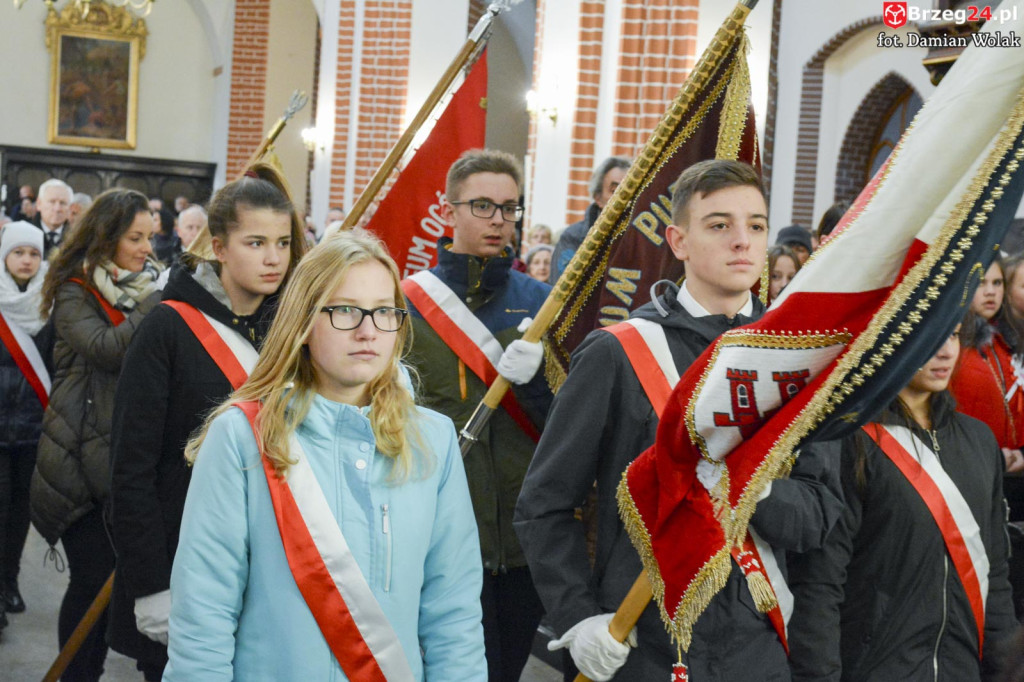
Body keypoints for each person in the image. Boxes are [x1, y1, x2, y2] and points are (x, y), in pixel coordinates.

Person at [515, 159, 842, 681]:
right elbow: (544, 504)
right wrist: (577, 618)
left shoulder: (795, 363)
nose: (743, 241)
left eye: (756, 226)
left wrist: (752, 488)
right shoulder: (617, 354)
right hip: (642, 643)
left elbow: (821, 516)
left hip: (758, 648)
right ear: (678, 240)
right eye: (719, 225)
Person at [164, 229, 486, 680]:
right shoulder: (241, 436)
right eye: (345, 311)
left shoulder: (432, 440)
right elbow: (204, 615)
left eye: (384, 312)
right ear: (303, 322)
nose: (368, 330)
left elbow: (453, 615)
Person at [107, 163, 306, 680]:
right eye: (256, 242)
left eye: (283, 243)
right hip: (182, 559)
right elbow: (131, 471)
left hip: (273, 562)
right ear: (218, 248)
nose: (273, 259)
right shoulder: (166, 329)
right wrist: (150, 585)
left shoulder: (294, 330)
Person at [788, 326, 1018, 680]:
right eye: (930, 334)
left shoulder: (978, 439)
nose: (946, 352)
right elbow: (820, 586)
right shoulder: (849, 441)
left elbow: (996, 578)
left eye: (954, 334)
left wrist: (1006, 673)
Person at [402, 148, 552, 682]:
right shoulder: (408, 307)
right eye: (483, 206)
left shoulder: (544, 302)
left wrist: (538, 384)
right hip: (436, 535)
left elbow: (566, 422)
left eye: (509, 209)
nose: (498, 221)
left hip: (518, 539)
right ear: (449, 211)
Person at [30, 189, 161, 682]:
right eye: (135, 238)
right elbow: (106, 348)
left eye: (150, 237)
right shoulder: (74, 290)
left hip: (117, 458)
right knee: (91, 582)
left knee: (112, 584)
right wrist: (158, 303)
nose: (147, 248)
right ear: (106, 239)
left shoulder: (143, 288)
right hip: (76, 461)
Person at [0, 222, 53, 628]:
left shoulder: (48, 304)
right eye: (18, 252)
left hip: (32, 427)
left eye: (33, 253)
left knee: (20, 511)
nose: (26, 260)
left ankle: (10, 581)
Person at [950, 259, 1024, 497]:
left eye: (997, 282)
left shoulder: (1005, 340)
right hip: (971, 474)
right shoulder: (950, 347)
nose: (991, 291)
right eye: (980, 283)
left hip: (1015, 472)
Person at [550, 156, 630, 283]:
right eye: (615, 190)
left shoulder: (640, 239)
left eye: (630, 190)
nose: (623, 197)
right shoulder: (573, 238)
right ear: (598, 198)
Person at [32, 178, 74, 259]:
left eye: (63, 203)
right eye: (52, 202)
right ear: (39, 204)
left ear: (70, 208)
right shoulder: (25, 234)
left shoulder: (77, 239)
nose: (57, 208)